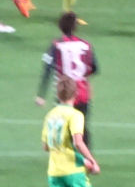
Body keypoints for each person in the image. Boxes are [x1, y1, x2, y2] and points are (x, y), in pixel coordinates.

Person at [36, 12, 98, 146]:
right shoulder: (86, 45)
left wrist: (41, 95)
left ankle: (63, 153)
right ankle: (86, 155)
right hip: (82, 92)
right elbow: (94, 67)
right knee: (81, 127)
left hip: (64, 91)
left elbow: (48, 69)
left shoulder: (56, 45)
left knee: (63, 126)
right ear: (75, 27)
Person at [42, 76, 100, 187]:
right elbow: (78, 143)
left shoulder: (50, 115)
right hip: (73, 171)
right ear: (76, 93)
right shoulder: (75, 115)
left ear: (58, 95)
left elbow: (46, 147)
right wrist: (92, 161)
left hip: (54, 172)